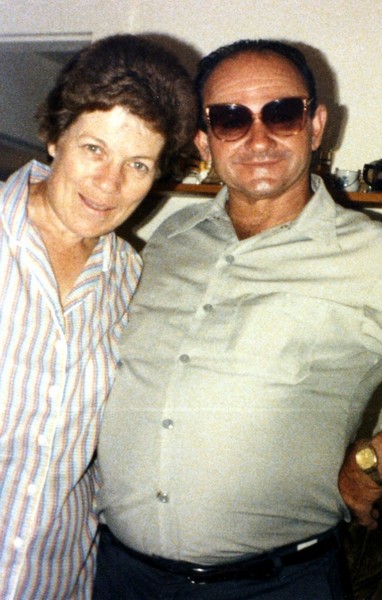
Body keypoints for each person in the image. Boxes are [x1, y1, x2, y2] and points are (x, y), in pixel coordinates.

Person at [94, 39, 382, 599]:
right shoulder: (171, 239)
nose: (258, 138)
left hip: (270, 588)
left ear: (316, 127)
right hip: (116, 576)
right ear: (203, 140)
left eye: (281, 114)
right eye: (231, 119)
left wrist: (378, 461)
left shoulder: (381, 260)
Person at [0, 34, 198, 599]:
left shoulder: (132, 280)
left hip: (57, 582)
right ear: (54, 137)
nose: (110, 184)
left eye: (138, 164)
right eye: (94, 148)